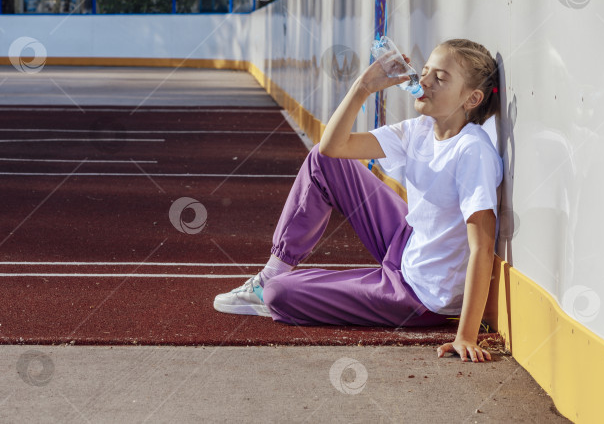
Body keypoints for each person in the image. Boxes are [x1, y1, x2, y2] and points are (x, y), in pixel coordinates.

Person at [213, 38, 503, 363]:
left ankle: (270, 288)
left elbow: (482, 245)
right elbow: (332, 148)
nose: (424, 82)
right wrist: (363, 86)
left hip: (418, 293)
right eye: (425, 72)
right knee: (322, 161)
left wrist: (466, 335)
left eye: (440, 78)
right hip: (407, 244)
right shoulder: (420, 129)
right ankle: (272, 271)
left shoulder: (472, 151)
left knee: (278, 295)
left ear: (472, 98)